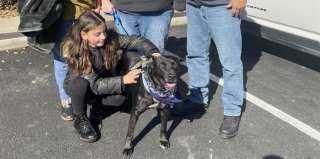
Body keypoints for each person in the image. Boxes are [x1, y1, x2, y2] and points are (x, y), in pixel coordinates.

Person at [61, 11, 162, 142]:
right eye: (97, 34)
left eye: (104, 31)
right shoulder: (77, 52)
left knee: (120, 98)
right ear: (84, 35)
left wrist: (153, 52)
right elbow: (94, 85)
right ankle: (80, 118)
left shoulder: (109, 38)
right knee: (80, 83)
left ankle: (95, 109)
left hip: (101, 82)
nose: (103, 37)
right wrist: (124, 80)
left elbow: (134, 40)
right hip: (81, 89)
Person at [171, 0, 247, 139]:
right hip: (194, 5)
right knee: (195, 55)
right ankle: (198, 98)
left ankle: (232, 110)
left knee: (230, 61)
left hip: (223, 6)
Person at [55, 0, 102, 121]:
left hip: (89, 12)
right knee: (63, 59)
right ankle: (66, 99)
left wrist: (98, 7)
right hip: (63, 14)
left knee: (91, 55)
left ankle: (91, 96)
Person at [101, 0, 186, 55]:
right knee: (131, 56)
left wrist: (180, 2)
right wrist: (105, 1)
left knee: (155, 55)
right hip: (122, 10)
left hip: (159, 9)